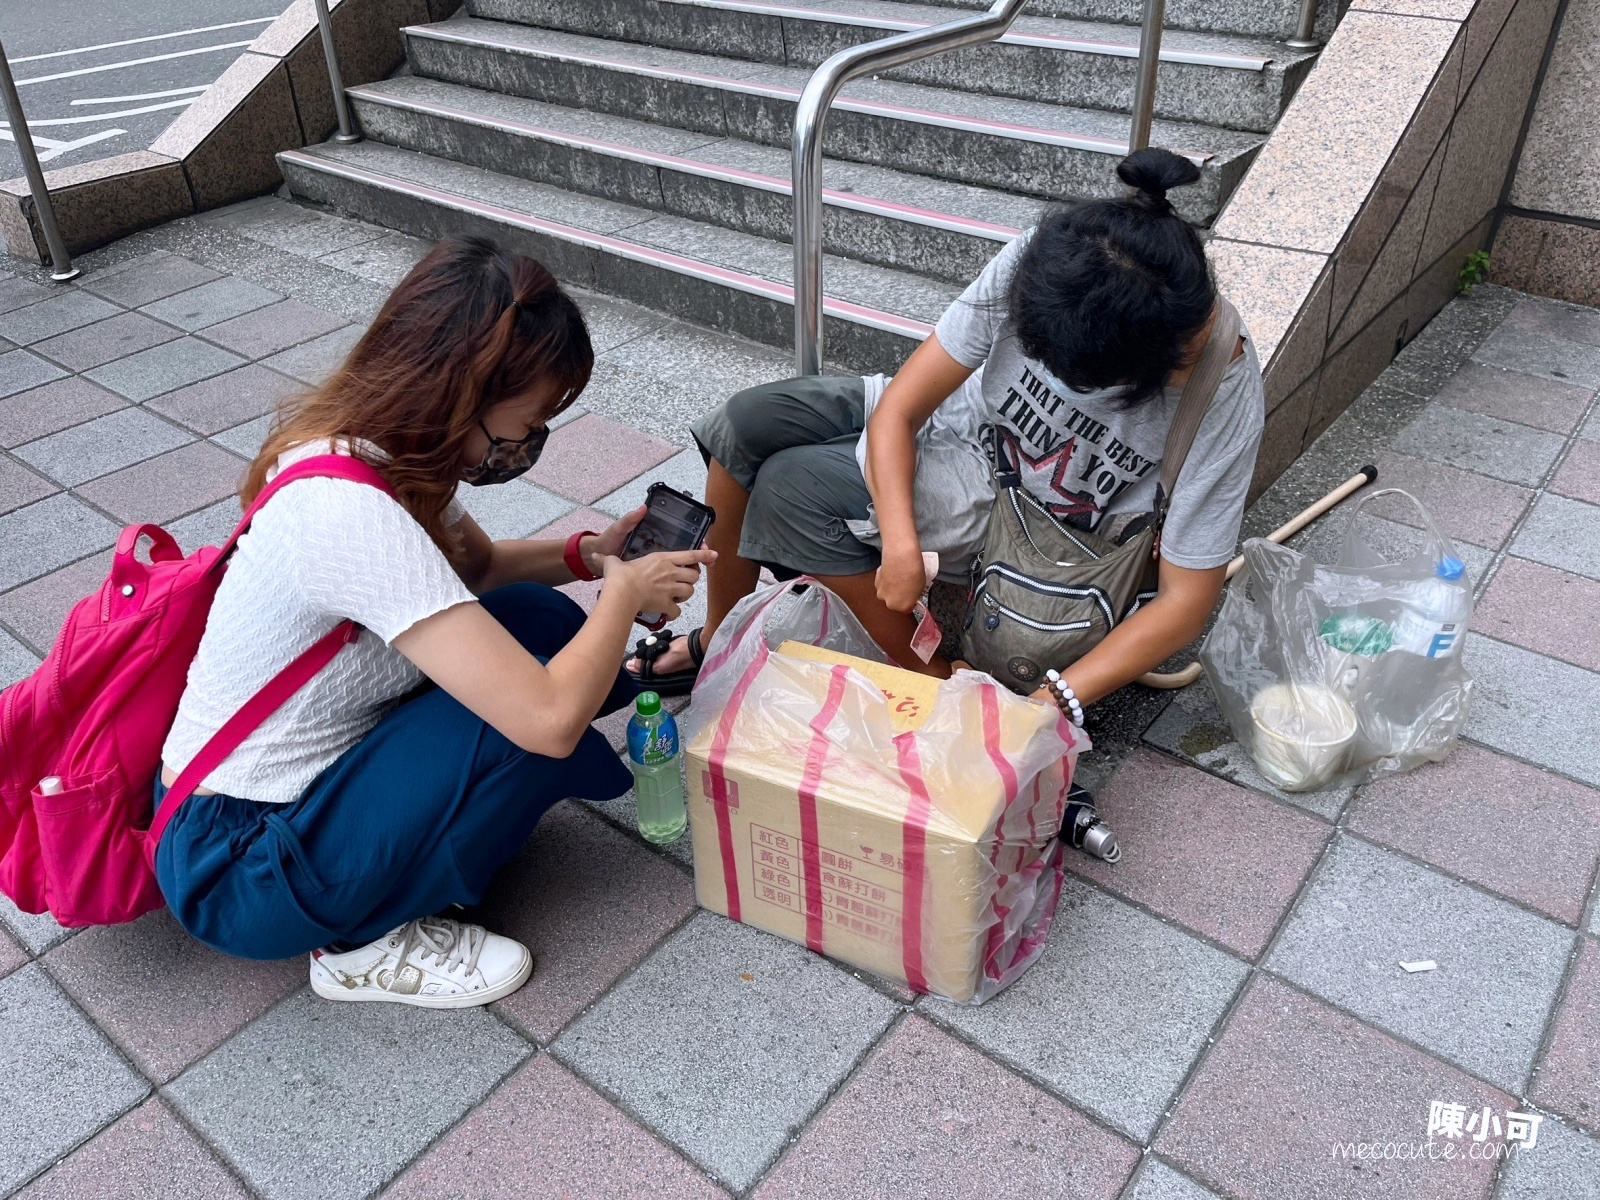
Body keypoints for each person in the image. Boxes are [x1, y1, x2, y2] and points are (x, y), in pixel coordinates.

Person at [154, 236, 713, 1009]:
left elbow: (478, 569)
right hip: (240, 863)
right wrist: (622, 598)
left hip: (289, 794)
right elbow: (548, 720)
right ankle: (355, 942)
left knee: (534, 620)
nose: (530, 444)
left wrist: (591, 555)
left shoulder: (380, 452)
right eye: (527, 423)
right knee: (526, 730)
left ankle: (398, 844)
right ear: (457, 395)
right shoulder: (348, 510)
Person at [629, 148, 1264, 720]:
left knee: (793, 488)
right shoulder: (1057, 261)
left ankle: (936, 685)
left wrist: (1050, 703)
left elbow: (1185, 598)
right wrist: (901, 547)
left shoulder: (1217, 385)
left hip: (1033, 515)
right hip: (964, 429)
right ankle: (718, 640)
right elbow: (900, 408)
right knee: (747, 422)